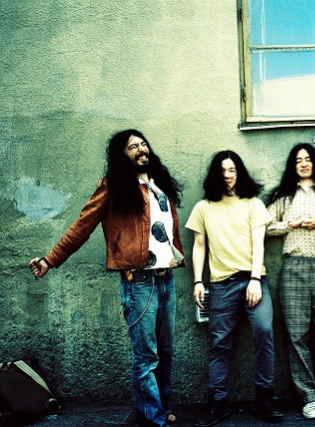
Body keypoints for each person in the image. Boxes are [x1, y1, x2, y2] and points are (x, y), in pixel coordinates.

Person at [28, 129, 184, 427]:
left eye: (143, 144)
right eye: (132, 146)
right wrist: (50, 260)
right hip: (139, 282)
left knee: (165, 351)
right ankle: (153, 418)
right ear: (121, 155)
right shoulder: (112, 187)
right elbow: (82, 226)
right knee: (146, 355)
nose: (141, 149)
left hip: (166, 279)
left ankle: (161, 408)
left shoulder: (157, 185)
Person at [186, 150, 283, 426]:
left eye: (232, 170)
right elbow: (199, 246)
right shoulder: (203, 207)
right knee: (219, 343)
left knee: (264, 332)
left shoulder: (253, 204)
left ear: (239, 173)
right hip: (220, 285)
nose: (227, 175)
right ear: (215, 174)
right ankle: (217, 402)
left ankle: (264, 396)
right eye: (222, 170)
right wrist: (198, 281)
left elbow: (259, 243)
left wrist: (254, 279)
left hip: (253, 281)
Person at [266, 144, 315, 419]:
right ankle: (308, 397)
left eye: (308, 159)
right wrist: (291, 225)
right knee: (297, 335)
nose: (304, 163)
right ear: (293, 165)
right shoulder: (284, 196)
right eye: (298, 160)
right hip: (293, 268)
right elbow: (263, 226)